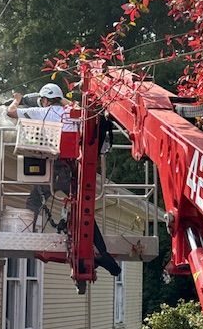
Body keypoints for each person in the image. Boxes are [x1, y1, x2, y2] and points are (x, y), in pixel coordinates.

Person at [7, 82, 122, 277]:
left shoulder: (41, 111)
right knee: (83, 210)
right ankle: (102, 252)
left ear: (44, 100)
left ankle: (24, 234)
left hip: (53, 169)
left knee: (34, 199)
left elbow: (11, 113)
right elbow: (85, 109)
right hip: (74, 170)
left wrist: (17, 98)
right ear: (59, 98)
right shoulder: (74, 111)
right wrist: (62, 100)